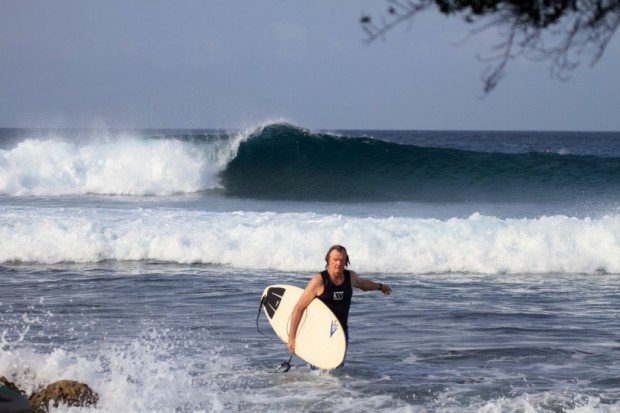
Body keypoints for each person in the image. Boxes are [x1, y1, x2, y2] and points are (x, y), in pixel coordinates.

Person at [287, 244, 392, 358]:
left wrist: (380, 286)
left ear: (346, 261)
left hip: (341, 333)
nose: (339, 263)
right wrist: (292, 337)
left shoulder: (350, 276)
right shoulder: (319, 281)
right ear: (328, 260)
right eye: (335, 259)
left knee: (337, 372)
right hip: (318, 333)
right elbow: (299, 308)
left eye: (342, 260)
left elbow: (364, 285)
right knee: (320, 373)